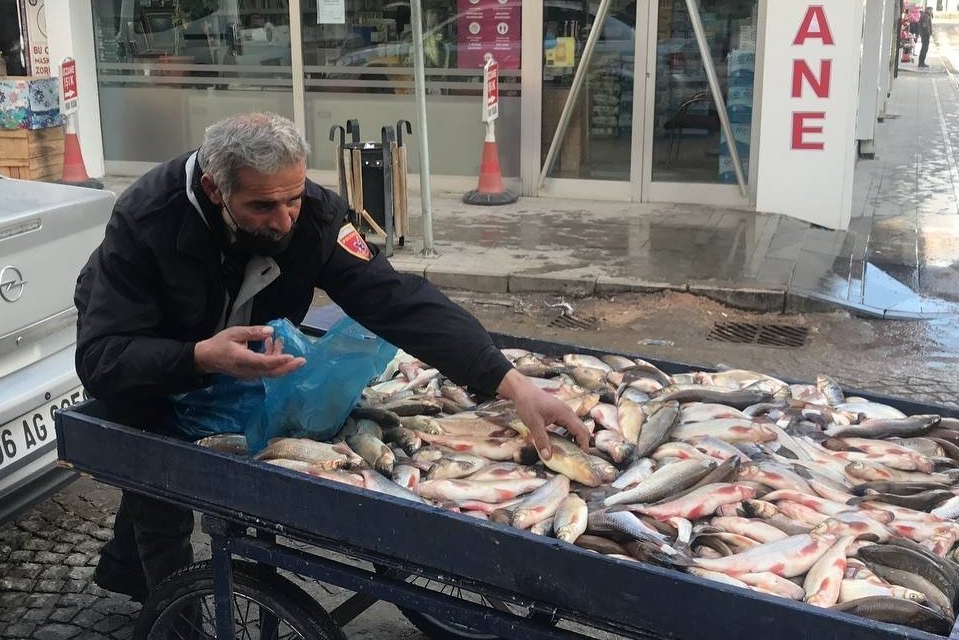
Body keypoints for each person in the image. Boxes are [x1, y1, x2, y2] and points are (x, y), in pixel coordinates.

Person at [74, 112, 592, 602]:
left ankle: (123, 564)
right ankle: (170, 606)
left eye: (292, 199)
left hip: (233, 336)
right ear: (215, 189)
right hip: (143, 340)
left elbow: (396, 300)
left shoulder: (315, 216)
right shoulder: (146, 219)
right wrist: (200, 357)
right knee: (157, 469)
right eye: (263, 207)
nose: (284, 220)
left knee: (200, 451)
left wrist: (512, 382)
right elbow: (102, 359)